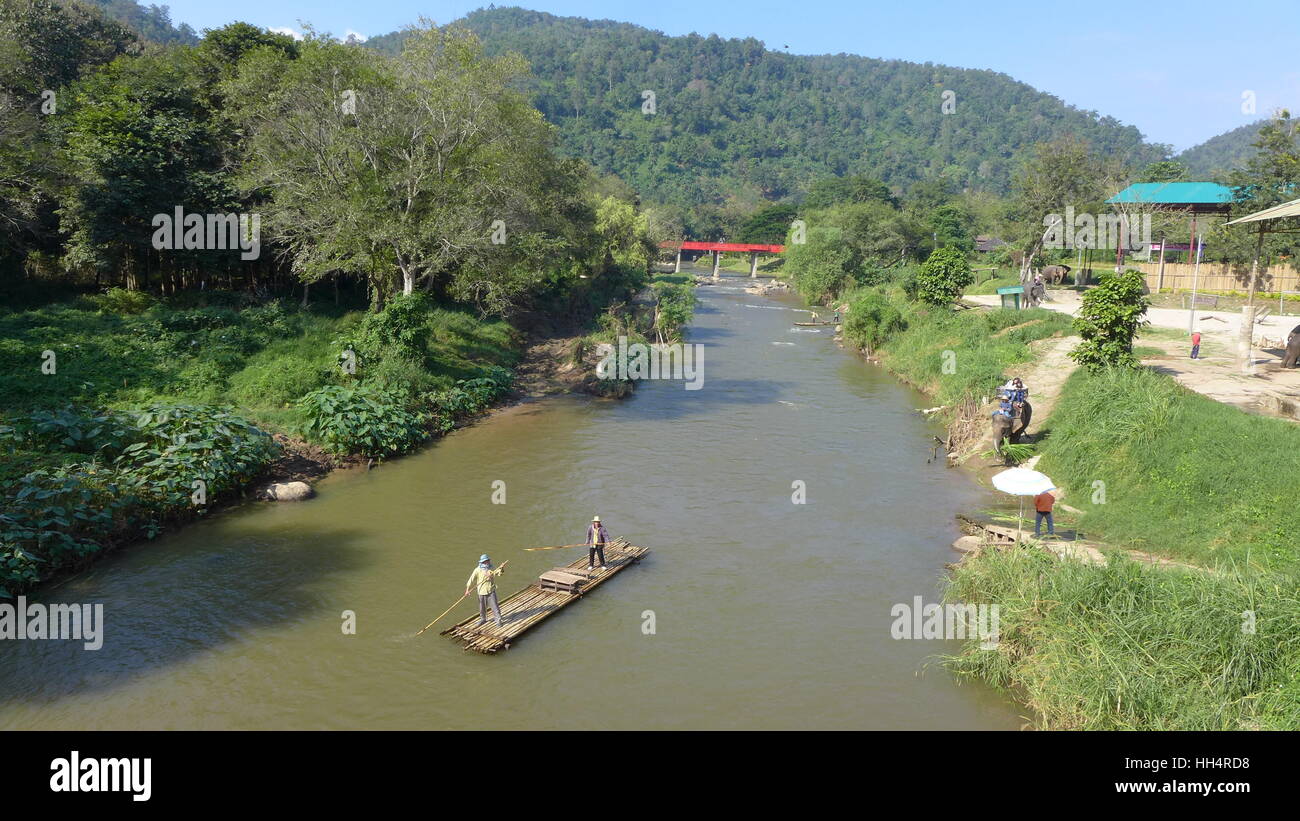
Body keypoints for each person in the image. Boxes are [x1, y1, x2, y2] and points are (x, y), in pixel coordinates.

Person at [465, 554, 505, 627]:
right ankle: (483, 619)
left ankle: (498, 620)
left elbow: (499, 573)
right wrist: (467, 590)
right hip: (481, 591)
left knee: (495, 606)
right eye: (485, 561)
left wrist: (501, 568)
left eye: (487, 561)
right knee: (482, 607)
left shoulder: (492, 568)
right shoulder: (477, 570)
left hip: (491, 590)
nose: (487, 562)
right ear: (482, 562)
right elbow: (471, 579)